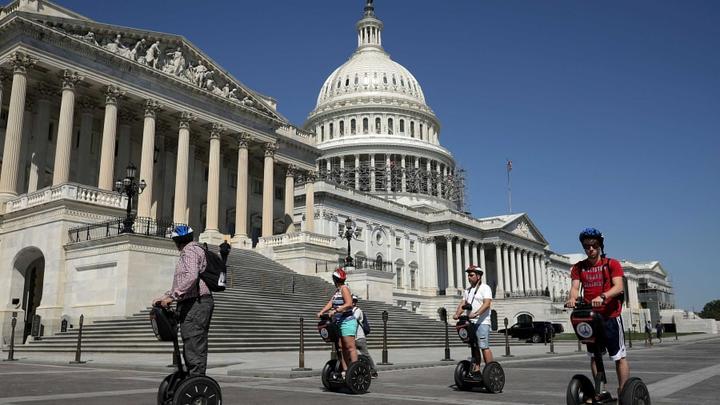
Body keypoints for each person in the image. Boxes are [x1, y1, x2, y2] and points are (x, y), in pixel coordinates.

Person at [566, 227, 628, 401]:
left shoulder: (611, 264)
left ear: (600, 245)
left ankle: (623, 390)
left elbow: (619, 287)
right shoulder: (579, 267)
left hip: (610, 316)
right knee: (594, 356)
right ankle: (601, 391)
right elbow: (575, 287)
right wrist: (572, 298)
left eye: (594, 245)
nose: (590, 249)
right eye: (587, 246)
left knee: (618, 356)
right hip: (590, 317)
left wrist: (603, 296)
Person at [153, 225, 214, 376]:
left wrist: (173, 296)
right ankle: (192, 378)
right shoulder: (192, 251)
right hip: (192, 301)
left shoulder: (190, 251)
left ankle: (197, 381)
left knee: (193, 341)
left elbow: (191, 276)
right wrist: (166, 296)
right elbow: (185, 279)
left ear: (177, 241)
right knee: (190, 341)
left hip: (196, 302)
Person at [317, 268, 357, 378]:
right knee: (340, 347)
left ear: (335, 279)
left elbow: (349, 303)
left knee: (350, 347)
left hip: (347, 321)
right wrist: (322, 311)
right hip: (339, 322)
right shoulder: (337, 291)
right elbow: (331, 302)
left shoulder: (344, 288)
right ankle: (345, 370)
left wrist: (336, 311)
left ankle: (354, 370)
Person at [452, 265, 494, 373]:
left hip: (482, 322)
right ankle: (477, 368)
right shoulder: (468, 290)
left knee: (483, 346)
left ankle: (490, 369)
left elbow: (487, 303)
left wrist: (476, 313)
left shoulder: (485, 288)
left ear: (478, 276)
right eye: (468, 275)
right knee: (474, 346)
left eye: (471, 275)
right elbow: (463, 303)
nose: (469, 277)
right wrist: (457, 314)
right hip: (470, 323)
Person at [351, 294, 378, 378]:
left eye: (355, 301)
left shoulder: (358, 310)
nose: (353, 303)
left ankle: (373, 371)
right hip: (352, 338)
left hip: (360, 338)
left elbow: (353, 319)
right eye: (352, 301)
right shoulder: (349, 311)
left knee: (365, 355)